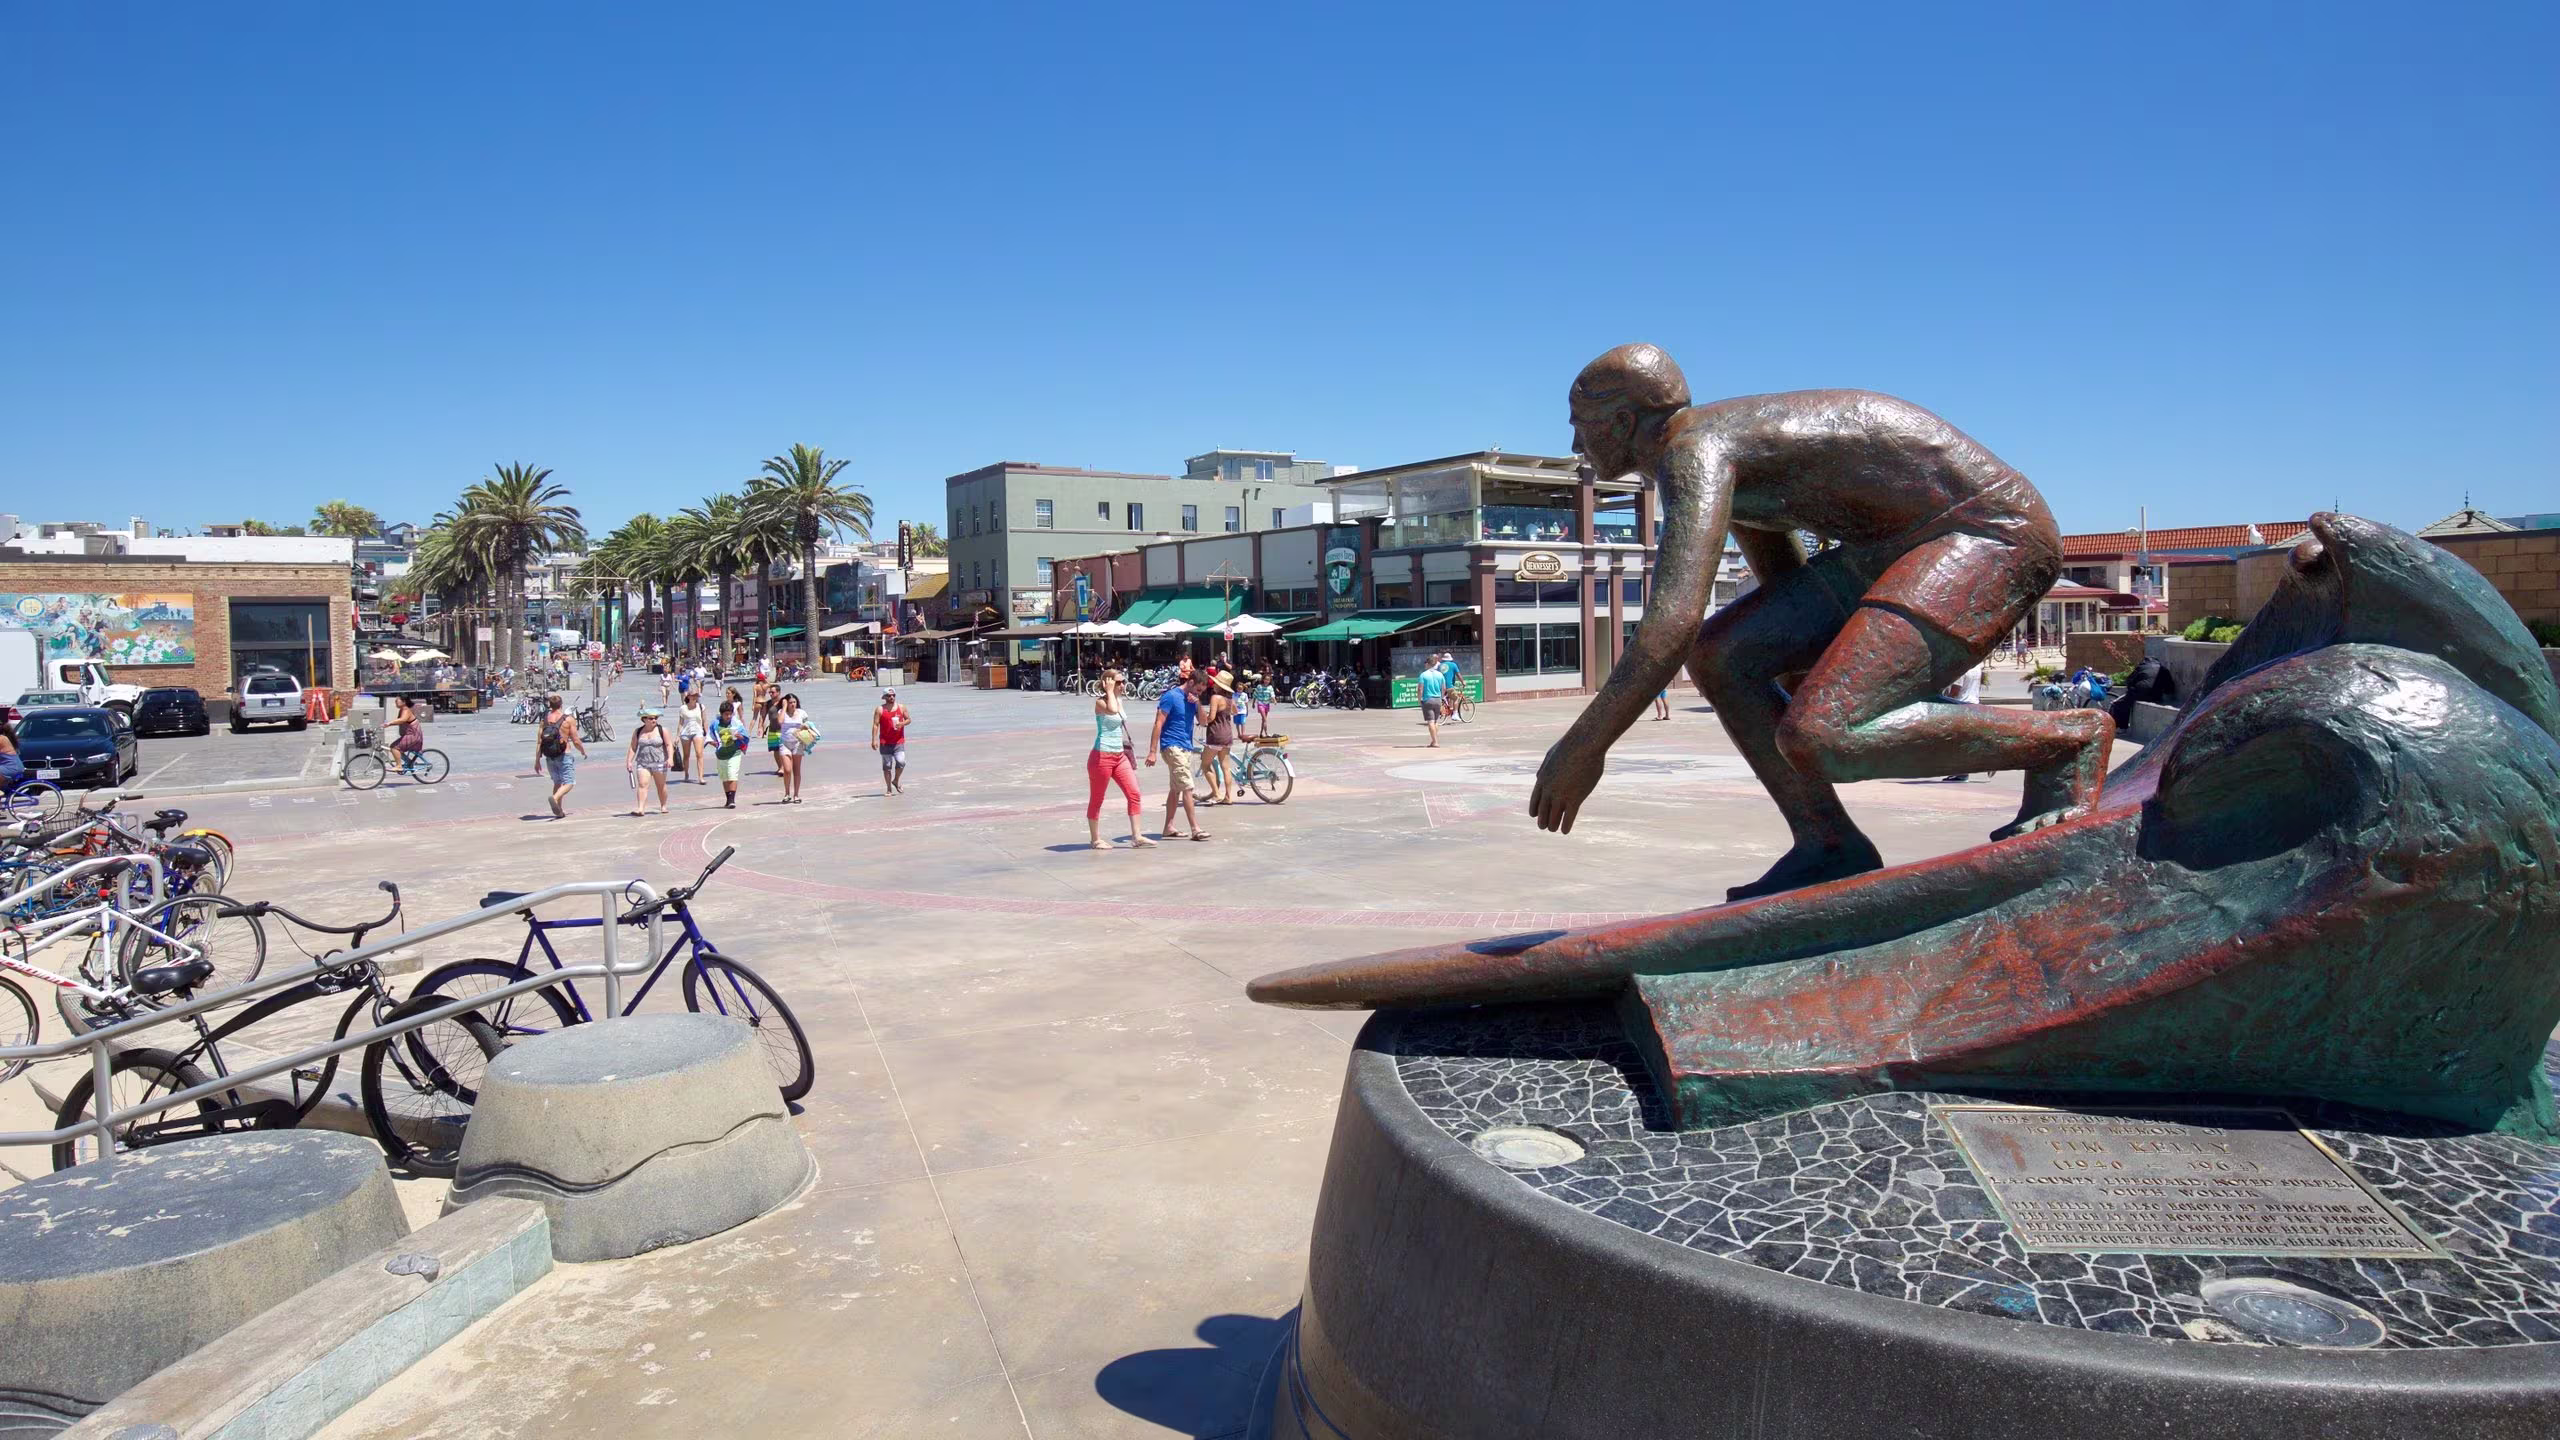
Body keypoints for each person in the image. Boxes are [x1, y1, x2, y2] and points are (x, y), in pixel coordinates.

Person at [1531, 344, 2111, 901]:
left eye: (1581, 423)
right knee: (1722, 656)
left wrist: (1584, 746)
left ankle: (2065, 741)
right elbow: (1779, 575)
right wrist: (1801, 665)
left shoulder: (1694, 453)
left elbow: (1672, 620)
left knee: (1822, 734)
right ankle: (1827, 841)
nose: (1575, 441)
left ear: (1623, 419)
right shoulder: (1716, 444)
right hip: (1890, 546)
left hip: (1986, 534)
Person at [1086, 668, 1155, 849]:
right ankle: (1095, 839)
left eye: (1123, 681)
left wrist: (1114, 694)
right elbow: (1112, 710)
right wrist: (1109, 692)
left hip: (1119, 756)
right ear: (1108, 683)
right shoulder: (1100, 702)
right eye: (1118, 682)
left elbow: (1118, 711)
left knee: (1134, 793)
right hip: (1101, 756)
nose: (1123, 685)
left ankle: (1137, 836)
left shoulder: (1119, 700)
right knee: (1097, 798)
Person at [1146, 670, 1209, 840]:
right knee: (1187, 786)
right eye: (1198, 690)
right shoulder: (1171, 697)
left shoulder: (1193, 700)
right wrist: (1152, 751)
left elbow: (1204, 722)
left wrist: (1198, 703)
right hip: (1171, 746)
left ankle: (1168, 827)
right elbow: (1158, 723)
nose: (1199, 693)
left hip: (1186, 747)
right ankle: (1195, 829)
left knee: (1176, 789)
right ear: (1190, 682)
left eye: (1202, 691)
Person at [530, 693, 586, 818]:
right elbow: (576, 740)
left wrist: (537, 760)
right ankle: (555, 798)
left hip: (549, 756)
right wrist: (582, 750)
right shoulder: (568, 719)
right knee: (569, 782)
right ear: (561, 705)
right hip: (564, 754)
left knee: (557, 782)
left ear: (550, 705)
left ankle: (559, 811)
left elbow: (539, 741)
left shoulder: (544, 720)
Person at [1942, 660, 1985, 781]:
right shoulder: (1977, 667)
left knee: (1957, 741)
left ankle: (1962, 773)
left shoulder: (1961, 670)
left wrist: (1943, 701)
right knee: (1965, 741)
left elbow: (1955, 692)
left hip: (1961, 707)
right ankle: (1961, 771)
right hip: (1974, 705)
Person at [1201, 671, 1239, 802]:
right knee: (1226, 767)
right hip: (1227, 735)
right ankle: (1228, 797)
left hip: (1215, 735)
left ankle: (1216, 793)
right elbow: (1235, 711)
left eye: (1215, 683)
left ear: (1219, 686)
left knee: (1205, 765)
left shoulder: (1215, 698)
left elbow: (1211, 718)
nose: (1213, 685)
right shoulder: (1230, 700)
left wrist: (1203, 719)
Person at [626, 708, 672, 815]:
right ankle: (641, 808)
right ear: (644, 719)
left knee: (661, 785)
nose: (654, 720)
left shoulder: (662, 730)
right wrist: (629, 761)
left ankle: (663, 805)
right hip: (643, 762)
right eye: (651, 718)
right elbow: (633, 747)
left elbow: (669, 745)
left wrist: (670, 758)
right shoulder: (638, 731)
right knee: (642, 784)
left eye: (656, 718)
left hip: (659, 761)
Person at [869, 690, 913, 795]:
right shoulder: (880, 709)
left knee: (901, 762)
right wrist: (874, 740)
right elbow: (875, 724)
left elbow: (909, 719)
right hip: (885, 742)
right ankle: (889, 789)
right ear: (884, 697)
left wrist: (901, 723)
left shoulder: (901, 707)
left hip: (898, 741)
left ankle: (896, 780)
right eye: (889, 696)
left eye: (893, 695)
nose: (892, 697)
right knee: (887, 766)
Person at [709, 699, 750, 808]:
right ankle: (728, 799)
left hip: (734, 752)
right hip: (721, 753)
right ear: (721, 714)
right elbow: (710, 736)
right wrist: (712, 742)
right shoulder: (715, 724)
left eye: (730, 714)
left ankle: (732, 800)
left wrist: (739, 736)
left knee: (732, 774)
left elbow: (745, 736)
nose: (728, 716)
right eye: (726, 714)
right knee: (725, 777)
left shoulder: (736, 723)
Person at [776, 692, 813, 803]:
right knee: (787, 770)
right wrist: (784, 707)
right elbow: (780, 722)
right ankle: (787, 793)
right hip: (785, 742)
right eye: (790, 702)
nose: (793, 704)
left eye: (794, 702)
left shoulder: (801, 713)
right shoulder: (782, 712)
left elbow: (809, 725)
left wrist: (805, 726)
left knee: (796, 770)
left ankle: (796, 795)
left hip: (798, 742)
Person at [677, 689, 708, 784]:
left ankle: (701, 777)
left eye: (696, 696)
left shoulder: (701, 707)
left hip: (698, 731)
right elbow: (681, 723)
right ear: (688, 697)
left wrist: (707, 733)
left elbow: (704, 721)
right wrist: (677, 736)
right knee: (686, 755)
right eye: (693, 695)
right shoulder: (683, 708)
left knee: (699, 754)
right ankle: (686, 773)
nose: (695, 697)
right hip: (685, 732)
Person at [1416, 658, 1446, 748]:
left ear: (1428, 664)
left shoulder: (1423, 675)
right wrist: (1441, 697)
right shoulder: (1440, 675)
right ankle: (1434, 740)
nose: (1425, 665)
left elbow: (1420, 689)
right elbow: (1444, 688)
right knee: (1436, 721)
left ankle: (1435, 742)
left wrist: (1419, 699)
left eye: (1425, 663)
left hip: (1428, 700)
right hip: (1438, 699)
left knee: (1430, 722)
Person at [390, 695, 425, 769]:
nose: (395, 702)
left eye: (397, 700)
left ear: (404, 701)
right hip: (410, 734)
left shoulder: (406, 710)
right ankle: (409, 762)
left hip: (413, 735)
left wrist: (388, 723)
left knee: (394, 747)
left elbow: (402, 720)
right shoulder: (402, 710)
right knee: (398, 748)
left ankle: (399, 766)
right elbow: (399, 722)